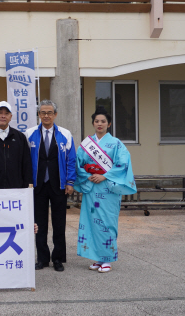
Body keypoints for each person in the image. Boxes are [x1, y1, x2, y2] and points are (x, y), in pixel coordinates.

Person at [74, 107, 136, 274]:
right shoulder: (86, 144)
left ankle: (107, 258)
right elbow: (78, 163)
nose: (99, 124)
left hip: (108, 188)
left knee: (107, 223)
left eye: (103, 121)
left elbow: (122, 164)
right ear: (93, 123)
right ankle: (97, 257)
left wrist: (105, 176)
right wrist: (87, 176)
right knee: (91, 223)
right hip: (91, 187)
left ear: (109, 124)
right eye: (96, 121)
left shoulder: (116, 144)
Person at [25, 100, 76, 272]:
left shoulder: (65, 134)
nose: (46, 116)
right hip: (37, 185)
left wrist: (70, 182)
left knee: (59, 223)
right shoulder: (29, 134)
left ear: (55, 114)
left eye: (49, 112)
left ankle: (58, 258)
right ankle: (42, 259)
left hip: (59, 185)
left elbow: (71, 160)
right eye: (43, 112)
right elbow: (24, 160)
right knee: (39, 224)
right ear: (38, 114)